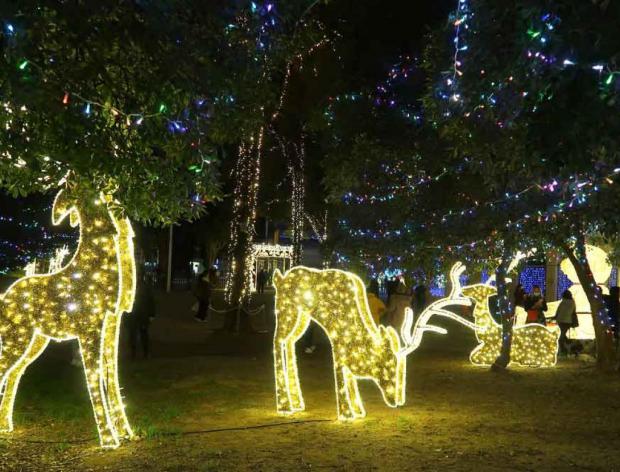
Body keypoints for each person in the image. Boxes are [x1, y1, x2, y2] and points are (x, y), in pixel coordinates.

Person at [129, 275, 156, 359]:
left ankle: (145, 352)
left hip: (142, 314)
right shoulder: (131, 286)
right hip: (134, 314)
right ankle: (134, 353)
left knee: (143, 334)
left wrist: (151, 314)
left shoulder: (145, 287)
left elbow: (151, 301)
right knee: (133, 334)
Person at [555, 290, 577, 355]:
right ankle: (566, 345)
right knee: (563, 333)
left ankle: (562, 347)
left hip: (560, 320)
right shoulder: (572, 302)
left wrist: (556, 317)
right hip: (568, 320)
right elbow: (574, 311)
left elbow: (558, 310)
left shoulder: (563, 302)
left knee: (562, 334)